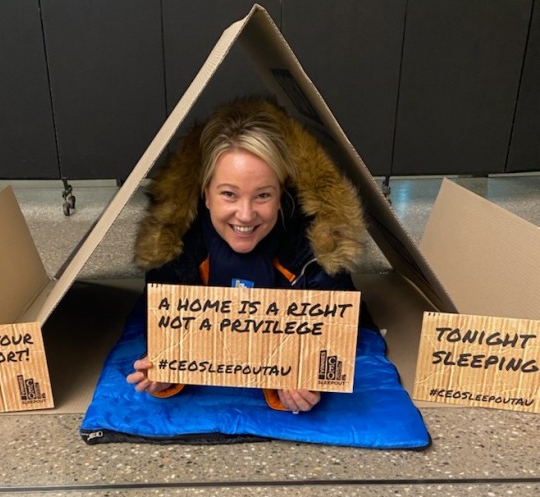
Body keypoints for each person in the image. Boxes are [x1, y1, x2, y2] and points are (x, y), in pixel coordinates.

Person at [126, 97, 367, 413]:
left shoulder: (317, 247)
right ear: (205, 194)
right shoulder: (174, 246)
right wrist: (162, 367)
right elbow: (162, 327)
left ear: (282, 194)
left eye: (263, 195)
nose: (245, 214)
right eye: (229, 194)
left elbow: (337, 328)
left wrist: (306, 372)